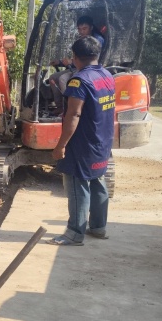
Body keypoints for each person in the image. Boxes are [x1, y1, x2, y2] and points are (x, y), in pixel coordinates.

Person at [48, 35, 115, 246]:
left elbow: (74, 114)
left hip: (83, 142)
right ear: (97, 54)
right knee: (98, 181)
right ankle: (98, 227)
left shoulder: (79, 81)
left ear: (75, 57)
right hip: (102, 140)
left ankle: (74, 234)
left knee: (77, 185)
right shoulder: (107, 75)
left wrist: (61, 145)